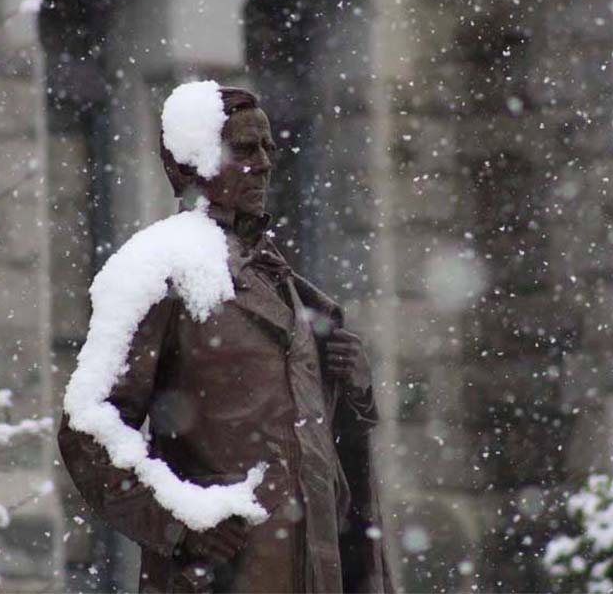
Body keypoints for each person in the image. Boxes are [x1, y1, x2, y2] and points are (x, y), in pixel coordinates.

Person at [57, 87, 391, 593]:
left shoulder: (289, 289)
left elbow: (320, 447)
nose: (263, 164)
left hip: (319, 569)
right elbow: (89, 426)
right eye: (244, 149)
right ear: (192, 161)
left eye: (268, 149)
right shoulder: (158, 270)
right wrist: (182, 523)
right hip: (229, 574)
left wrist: (352, 385)